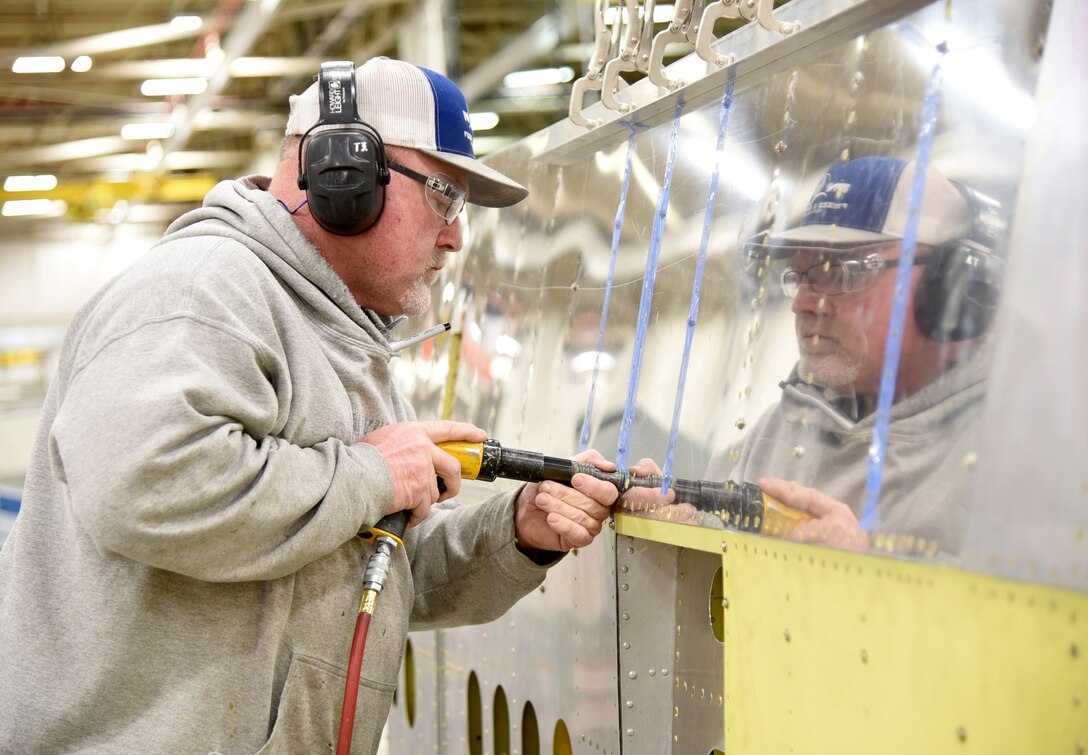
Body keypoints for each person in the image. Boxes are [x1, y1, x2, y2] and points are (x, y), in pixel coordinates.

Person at [0, 57, 620, 754]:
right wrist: (373, 473)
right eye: (445, 196)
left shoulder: (337, 337)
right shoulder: (203, 293)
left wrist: (519, 530)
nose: (456, 236)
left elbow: (375, 568)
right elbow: (143, 482)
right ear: (342, 175)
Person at [700, 155, 1004, 555]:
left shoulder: (1019, 451)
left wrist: (868, 573)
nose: (803, 304)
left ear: (953, 287)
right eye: (801, 276)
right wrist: (666, 516)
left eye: (841, 272)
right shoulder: (780, 429)